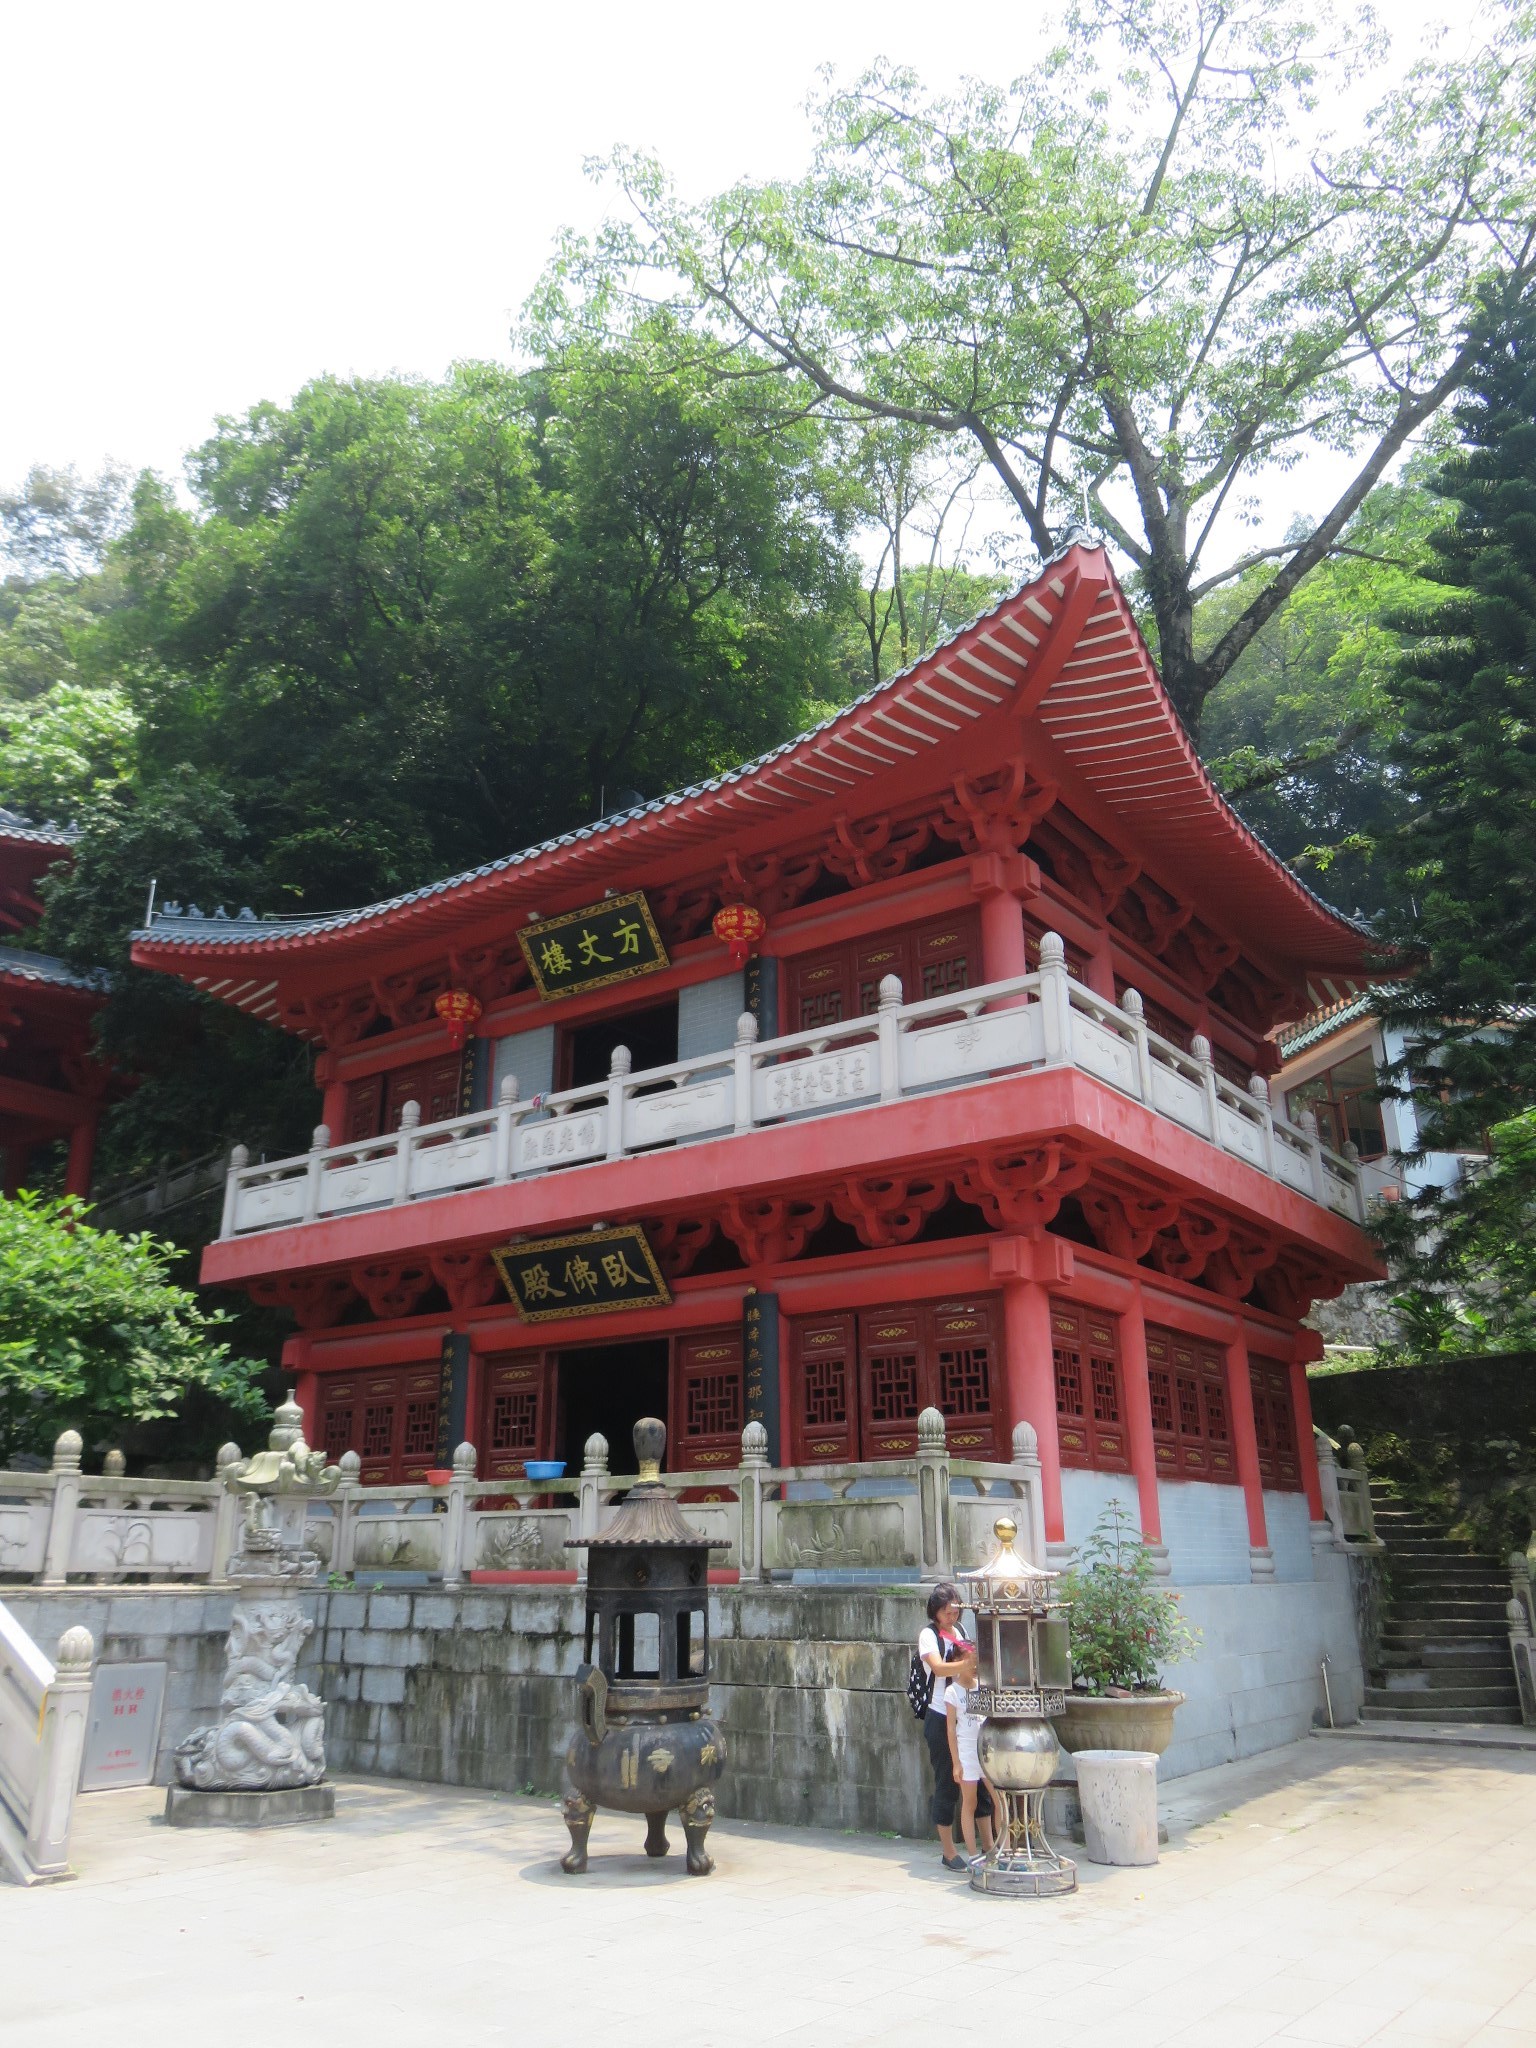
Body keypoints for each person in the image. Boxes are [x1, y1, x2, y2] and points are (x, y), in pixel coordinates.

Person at [917, 1582, 977, 1870]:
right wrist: (967, 1666)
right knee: (947, 1782)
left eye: (954, 1610)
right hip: (940, 1715)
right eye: (946, 1611)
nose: (951, 1615)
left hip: (967, 1714)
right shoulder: (928, 1636)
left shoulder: (962, 1633)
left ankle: (984, 1846)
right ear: (936, 1612)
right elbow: (939, 1668)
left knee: (975, 1778)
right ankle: (949, 1850)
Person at [945, 1663, 996, 1867]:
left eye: (978, 1662)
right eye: (970, 1662)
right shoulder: (952, 1691)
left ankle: (1002, 1851)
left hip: (987, 1751)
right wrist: (956, 1763)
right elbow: (950, 1729)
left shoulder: (984, 1686)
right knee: (970, 1803)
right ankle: (974, 1856)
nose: (975, 1666)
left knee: (999, 1800)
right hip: (966, 1752)